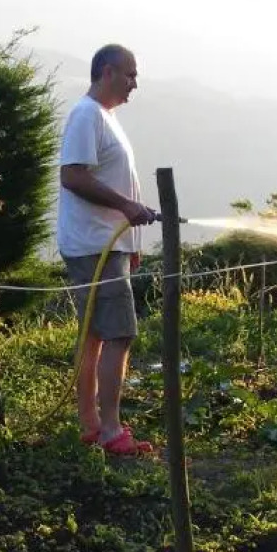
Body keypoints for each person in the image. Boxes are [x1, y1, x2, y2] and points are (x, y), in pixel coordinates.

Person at [57, 43, 159, 456]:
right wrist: (127, 207)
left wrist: (130, 244)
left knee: (95, 336)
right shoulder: (87, 115)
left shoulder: (105, 118)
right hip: (95, 245)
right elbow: (72, 177)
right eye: (130, 74)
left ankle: (92, 424)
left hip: (105, 246)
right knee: (120, 334)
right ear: (107, 72)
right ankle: (112, 430)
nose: (135, 83)